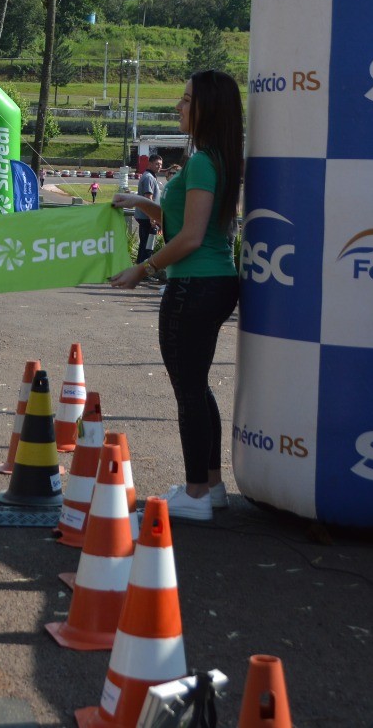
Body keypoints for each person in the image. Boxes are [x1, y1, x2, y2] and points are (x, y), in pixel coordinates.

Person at [109, 71, 242, 522]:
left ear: (207, 108)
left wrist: (143, 268)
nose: (179, 107)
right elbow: (180, 218)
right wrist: (138, 202)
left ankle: (196, 494)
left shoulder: (204, 161)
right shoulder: (215, 158)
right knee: (198, 386)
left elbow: (190, 237)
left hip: (195, 284)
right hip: (214, 281)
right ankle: (212, 486)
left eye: (186, 100)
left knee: (188, 390)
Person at [135, 153, 164, 265]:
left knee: (145, 245)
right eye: (156, 164)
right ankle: (144, 272)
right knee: (148, 247)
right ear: (150, 163)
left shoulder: (150, 176)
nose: (159, 166)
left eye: (160, 164)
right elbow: (149, 198)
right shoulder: (148, 177)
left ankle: (141, 270)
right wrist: (152, 218)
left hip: (146, 216)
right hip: (147, 218)